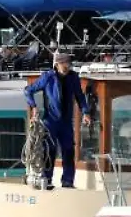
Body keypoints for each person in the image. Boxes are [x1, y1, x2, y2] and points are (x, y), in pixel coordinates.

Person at [24, 53, 91, 189]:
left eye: (68, 64)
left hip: (66, 122)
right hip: (50, 121)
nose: (67, 66)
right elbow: (28, 91)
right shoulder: (48, 77)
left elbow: (80, 96)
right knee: (50, 150)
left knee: (68, 151)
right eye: (64, 64)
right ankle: (47, 179)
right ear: (57, 65)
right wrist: (34, 107)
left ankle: (68, 181)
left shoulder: (73, 77)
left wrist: (86, 112)